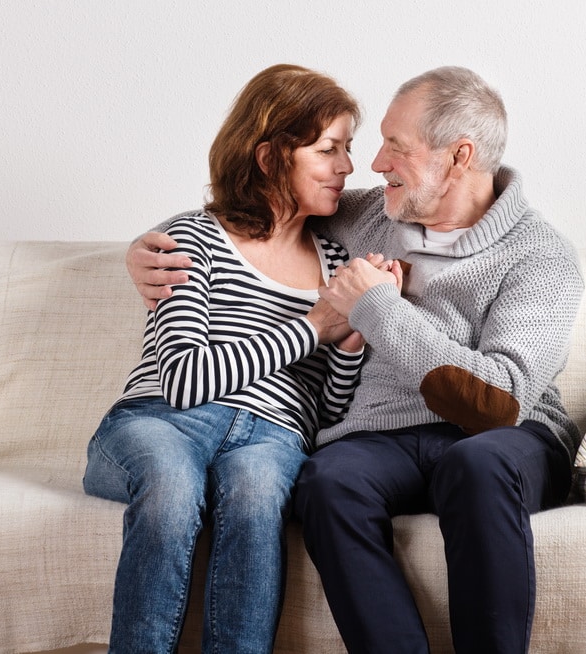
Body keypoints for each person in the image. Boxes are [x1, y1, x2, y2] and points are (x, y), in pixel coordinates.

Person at [128, 66, 584, 654]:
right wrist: (148, 247)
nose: (373, 164)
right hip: (383, 437)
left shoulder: (540, 256)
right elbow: (257, 208)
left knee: (475, 467)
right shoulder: (373, 213)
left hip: (503, 438)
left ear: (458, 157)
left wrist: (375, 307)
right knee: (327, 481)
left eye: (396, 146)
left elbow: (498, 403)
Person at [85, 64, 380, 654]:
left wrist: (347, 345)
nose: (347, 167)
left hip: (273, 436)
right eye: (328, 150)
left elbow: (320, 414)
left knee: (256, 497)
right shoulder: (193, 239)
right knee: (172, 484)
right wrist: (316, 326)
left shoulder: (334, 260)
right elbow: (184, 380)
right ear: (270, 157)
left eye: (347, 149)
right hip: (160, 421)